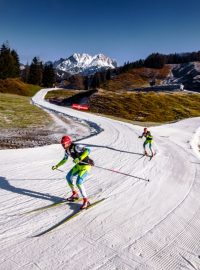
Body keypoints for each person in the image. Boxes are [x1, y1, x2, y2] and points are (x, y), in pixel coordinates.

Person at [52, 135, 94, 209]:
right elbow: (64, 160)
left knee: (79, 182)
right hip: (78, 166)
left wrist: (80, 158)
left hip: (86, 166)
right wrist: (57, 166)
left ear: (68, 143)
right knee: (68, 177)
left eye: (64, 144)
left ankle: (86, 201)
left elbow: (88, 150)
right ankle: (75, 194)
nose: (63, 145)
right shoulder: (67, 151)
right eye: (62, 144)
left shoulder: (76, 147)